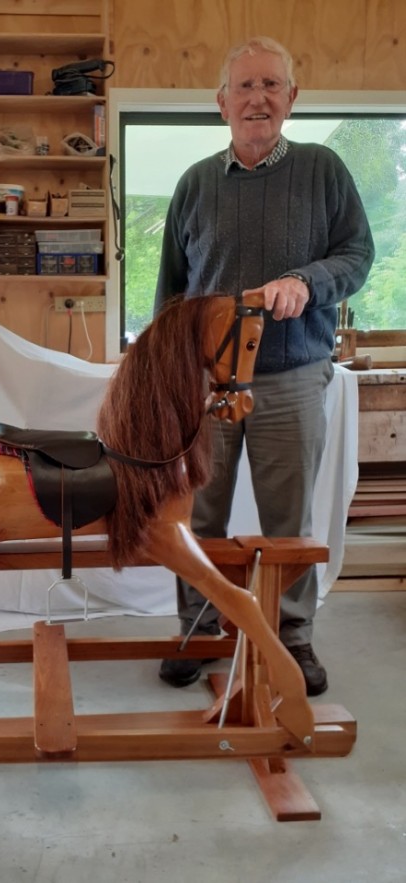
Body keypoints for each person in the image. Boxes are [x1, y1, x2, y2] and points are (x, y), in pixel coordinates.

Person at [154, 36, 375, 696]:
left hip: (292, 376)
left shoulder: (323, 171)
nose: (258, 98)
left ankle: (293, 635)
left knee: (288, 520)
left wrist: (308, 281)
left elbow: (358, 256)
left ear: (292, 98)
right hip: (206, 382)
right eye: (245, 87)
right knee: (198, 516)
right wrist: (169, 374)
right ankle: (197, 629)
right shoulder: (194, 184)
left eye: (271, 86)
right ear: (221, 103)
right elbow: (170, 291)